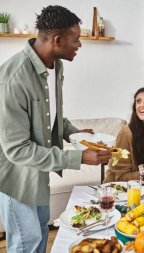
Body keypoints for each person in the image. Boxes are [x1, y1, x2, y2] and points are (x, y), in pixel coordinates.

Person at [0, 6, 112, 253]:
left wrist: (77, 135)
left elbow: (51, 118)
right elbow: (17, 150)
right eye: (76, 40)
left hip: (39, 176)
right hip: (17, 181)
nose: (79, 45)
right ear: (58, 40)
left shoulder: (55, 66)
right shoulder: (13, 78)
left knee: (39, 239)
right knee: (27, 246)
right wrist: (80, 157)